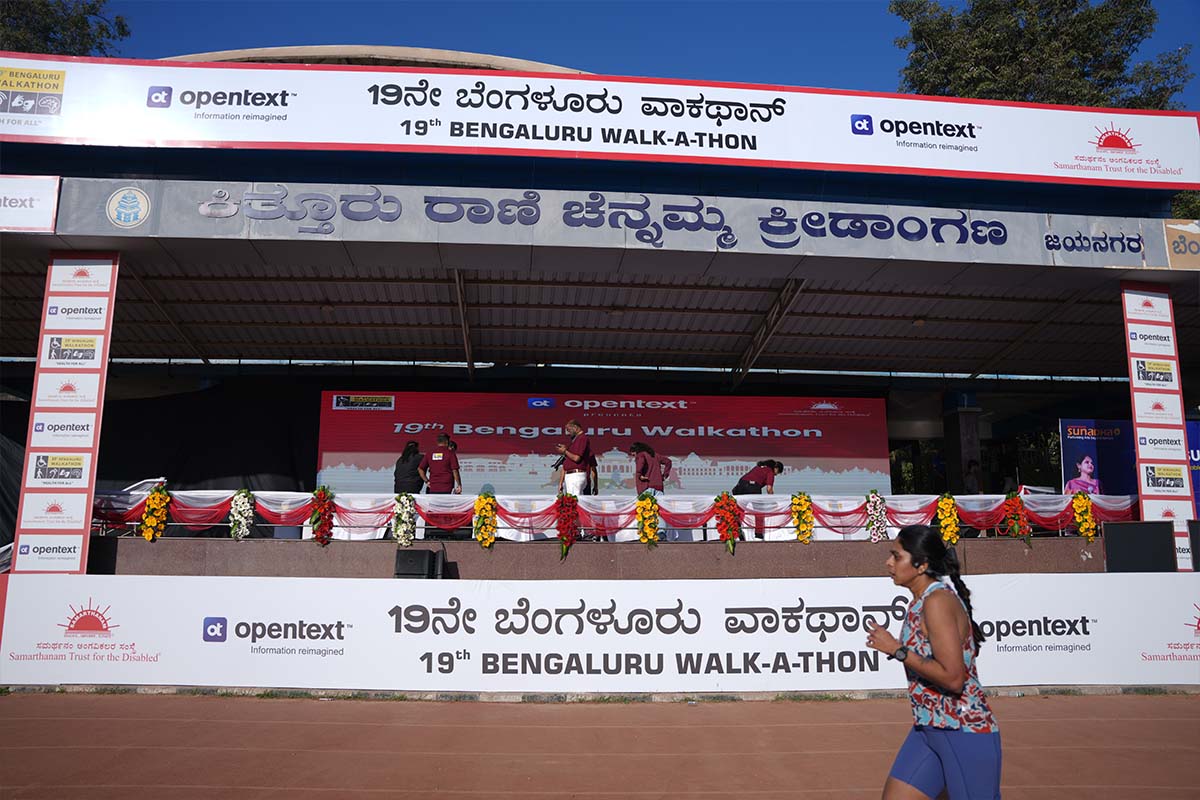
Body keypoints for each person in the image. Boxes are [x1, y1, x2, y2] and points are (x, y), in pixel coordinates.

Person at [864, 524, 1001, 800]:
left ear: (922, 565)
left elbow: (953, 678)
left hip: (962, 728)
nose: (888, 562)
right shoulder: (920, 601)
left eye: (897, 556)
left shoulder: (937, 601)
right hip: (928, 728)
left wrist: (897, 650)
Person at [555, 419, 591, 496]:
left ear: (575, 427)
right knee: (571, 499)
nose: (568, 433)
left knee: (574, 500)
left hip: (575, 475)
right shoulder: (576, 440)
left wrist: (565, 451)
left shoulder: (582, 438)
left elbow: (576, 458)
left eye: (569, 430)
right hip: (571, 475)